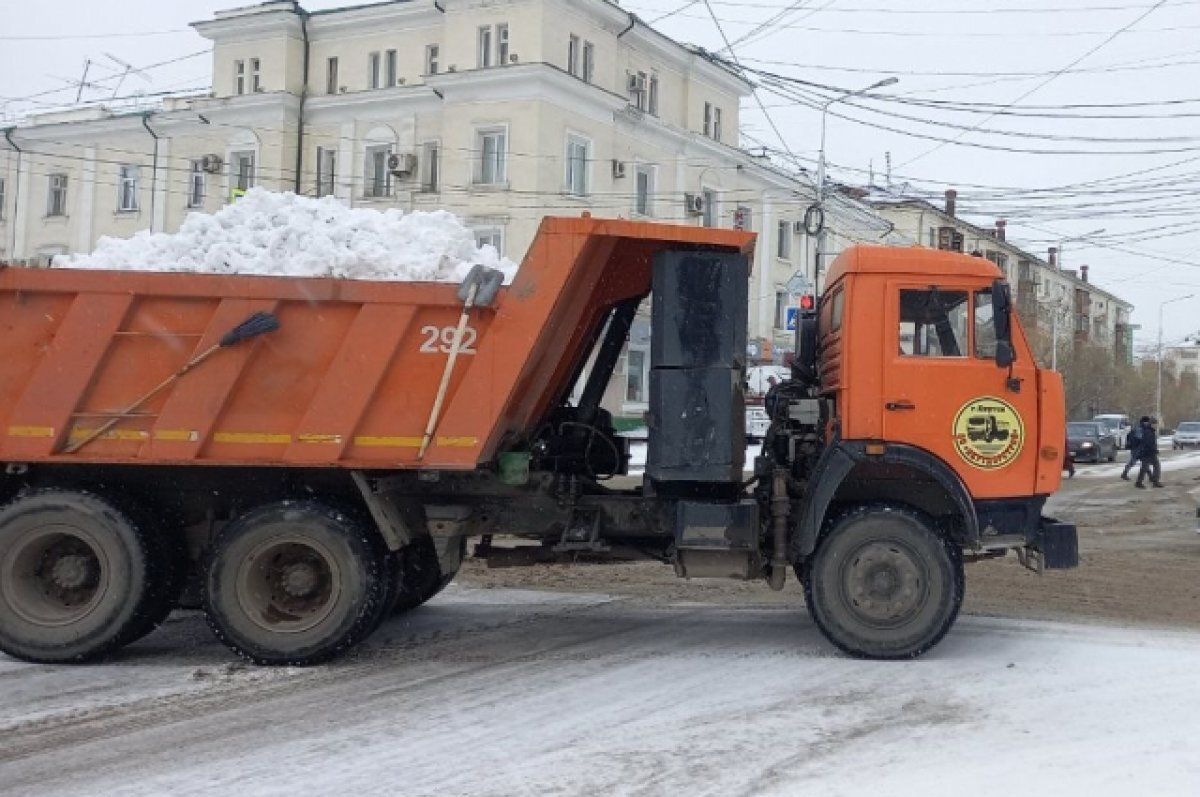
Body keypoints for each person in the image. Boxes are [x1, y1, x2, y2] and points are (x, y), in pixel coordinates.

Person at [1134, 416, 1163, 489]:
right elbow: (1148, 443)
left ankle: (1141, 482)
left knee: (1146, 467)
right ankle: (1153, 482)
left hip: (1148, 452)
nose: (1156, 426)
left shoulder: (1150, 431)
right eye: (1155, 424)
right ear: (1152, 424)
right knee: (1154, 466)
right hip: (1148, 453)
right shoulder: (1149, 432)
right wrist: (1154, 450)